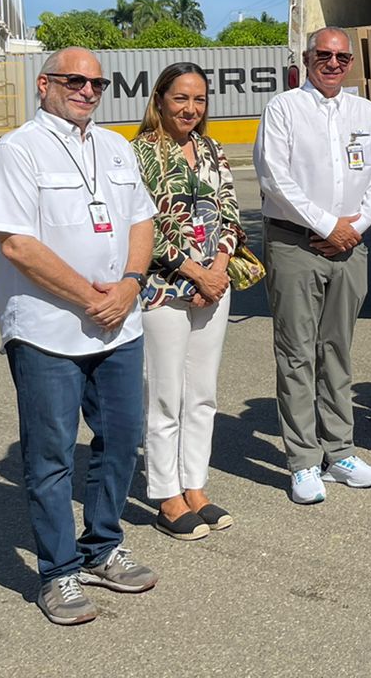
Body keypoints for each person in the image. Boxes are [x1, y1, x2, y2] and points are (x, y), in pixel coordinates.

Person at [0, 48, 160, 625]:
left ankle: (103, 546)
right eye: (74, 80)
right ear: (44, 85)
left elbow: (141, 220)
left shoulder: (115, 147)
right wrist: (91, 299)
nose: (87, 90)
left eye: (97, 83)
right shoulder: (16, 151)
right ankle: (58, 572)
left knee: (121, 437)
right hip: (47, 331)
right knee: (51, 454)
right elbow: (17, 244)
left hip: (119, 325)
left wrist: (130, 285)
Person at [254, 28, 371, 504]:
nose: (332, 63)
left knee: (337, 349)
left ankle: (340, 450)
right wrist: (327, 224)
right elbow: (275, 177)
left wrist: (351, 229)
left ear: (350, 62)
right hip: (296, 245)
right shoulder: (284, 109)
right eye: (323, 55)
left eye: (340, 56)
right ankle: (303, 461)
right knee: (296, 352)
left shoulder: (365, 113)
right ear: (308, 58)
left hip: (350, 246)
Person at [130, 62, 241, 540]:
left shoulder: (213, 149)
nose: (190, 109)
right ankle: (166, 495)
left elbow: (232, 212)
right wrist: (192, 270)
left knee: (202, 394)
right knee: (165, 395)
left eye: (199, 100)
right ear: (159, 100)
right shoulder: (138, 154)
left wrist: (216, 268)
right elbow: (142, 224)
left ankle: (195, 485)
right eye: (181, 98)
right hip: (164, 288)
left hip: (214, 285)